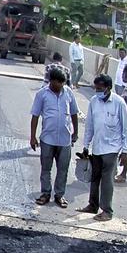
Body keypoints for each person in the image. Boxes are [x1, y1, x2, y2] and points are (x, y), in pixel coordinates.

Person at [78, 73, 127, 221]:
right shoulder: (94, 101)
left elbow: (125, 128)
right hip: (97, 147)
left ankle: (107, 210)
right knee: (94, 178)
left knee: (107, 180)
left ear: (108, 88)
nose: (97, 91)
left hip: (112, 148)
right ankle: (92, 205)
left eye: (100, 88)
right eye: (96, 88)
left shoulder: (119, 103)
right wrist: (86, 145)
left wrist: (125, 150)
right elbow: (89, 125)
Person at [30, 67, 79, 208]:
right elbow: (35, 116)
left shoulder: (68, 93)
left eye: (63, 83)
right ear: (51, 81)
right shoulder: (42, 94)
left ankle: (59, 195)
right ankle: (45, 193)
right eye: (59, 83)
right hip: (47, 139)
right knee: (46, 168)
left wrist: (75, 132)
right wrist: (33, 137)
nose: (61, 85)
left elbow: (74, 113)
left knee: (63, 169)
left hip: (65, 139)